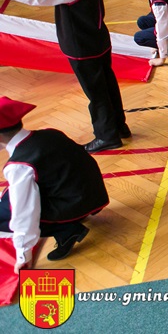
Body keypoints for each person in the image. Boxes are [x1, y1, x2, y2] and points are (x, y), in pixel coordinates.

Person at [0, 0, 129, 153]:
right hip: (97, 40)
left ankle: (107, 135)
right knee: (107, 86)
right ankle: (119, 127)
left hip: (82, 46)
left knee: (96, 93)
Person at [0, 96, 109, 270]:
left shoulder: (19, 166)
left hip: (75, 205)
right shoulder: (49, 132)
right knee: (11, 197)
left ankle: (66, 230)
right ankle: (74, 219)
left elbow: (24, 214)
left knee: (6, 213)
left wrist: (23, 254)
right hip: (95, 197)